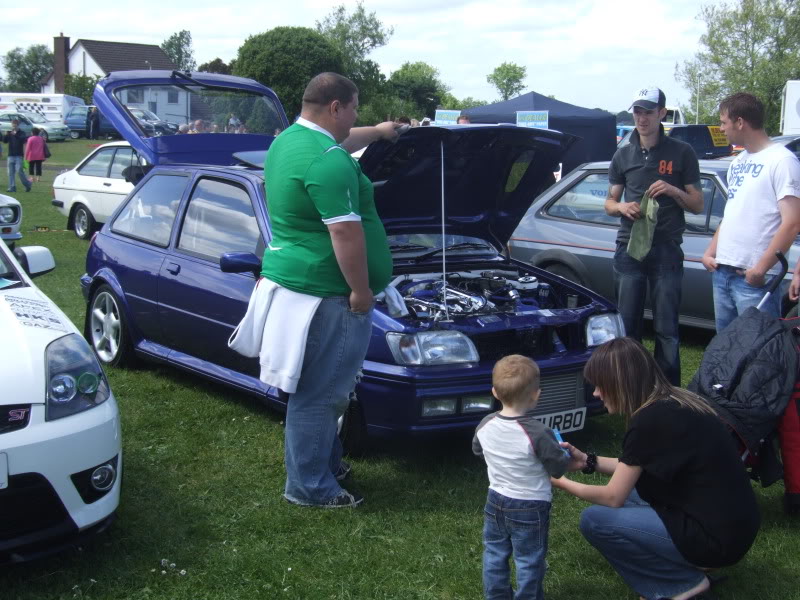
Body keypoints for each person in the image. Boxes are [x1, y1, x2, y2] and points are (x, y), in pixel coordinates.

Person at [259, 72, 400, 508]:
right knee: (321, 394)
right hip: (330, 293)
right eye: (356, 108)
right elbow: (344, 233)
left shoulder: (287, 142)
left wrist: (378, 133)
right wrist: (361, 291)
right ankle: (309, 486)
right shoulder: (327, 160)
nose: (358, 116)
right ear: (336, 107)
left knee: (326, 388)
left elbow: (337, 140)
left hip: (302, 283)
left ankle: (326, 463)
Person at [552, 337, 760, 600]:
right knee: (634, 492)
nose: (595, 393)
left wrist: (560, 482)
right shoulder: (673, 402)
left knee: (595, 520)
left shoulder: (649, 421)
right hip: (732, 525)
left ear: (619, 382)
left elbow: (613, 497)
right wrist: (587, 461)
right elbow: (635, 466)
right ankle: (695, 563)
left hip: (715, 538)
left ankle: (682, 585)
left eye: (599, 385)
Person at [605, 86, 703, 385]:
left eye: (648, 111)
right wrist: (622, 207)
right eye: (637, 111)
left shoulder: (682, 152)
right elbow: (609, 203)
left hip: (666, 248)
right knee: (629, 326)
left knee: (667, 329)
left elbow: (698, 205)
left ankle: (669, 393)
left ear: (662, 113)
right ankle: (631, 389)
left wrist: (673, 190)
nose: (642, 118)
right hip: (629, 249)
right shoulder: (623, 154)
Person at [472, 355, 569, 600]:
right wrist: (565, 454)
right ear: (536, 394)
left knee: (494, 553)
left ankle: (496, 596)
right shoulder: (538, 432)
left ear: (494, 392)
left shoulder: (485, 424)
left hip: (495, 501)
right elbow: (558, 467)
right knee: (529, 559)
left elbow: (477, 449)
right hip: (531, 505)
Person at [703, 92, 800, 331]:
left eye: (724, 122)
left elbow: (792, 222)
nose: (721, 128)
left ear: (740, 122)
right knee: (726, 352)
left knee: (758, 355)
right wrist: (710, 251)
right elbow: (733, 212)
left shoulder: (782, 161)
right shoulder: (738, 161)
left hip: (752, 277)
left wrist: (761, 268)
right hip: (723, 271)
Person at [3, 119, 32, 193]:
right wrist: (6, 135)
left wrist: (15, 135)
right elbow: (5, 141)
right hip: (10, 155)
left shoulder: (22, 133)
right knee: (10, 172)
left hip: (19, 155)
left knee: (19, 171)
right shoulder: (10, 133)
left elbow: (23, 140)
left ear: (18, 125)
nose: (13, 127)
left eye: (15, 125)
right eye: (12, 125)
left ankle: (28, 184)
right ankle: (12, 187)